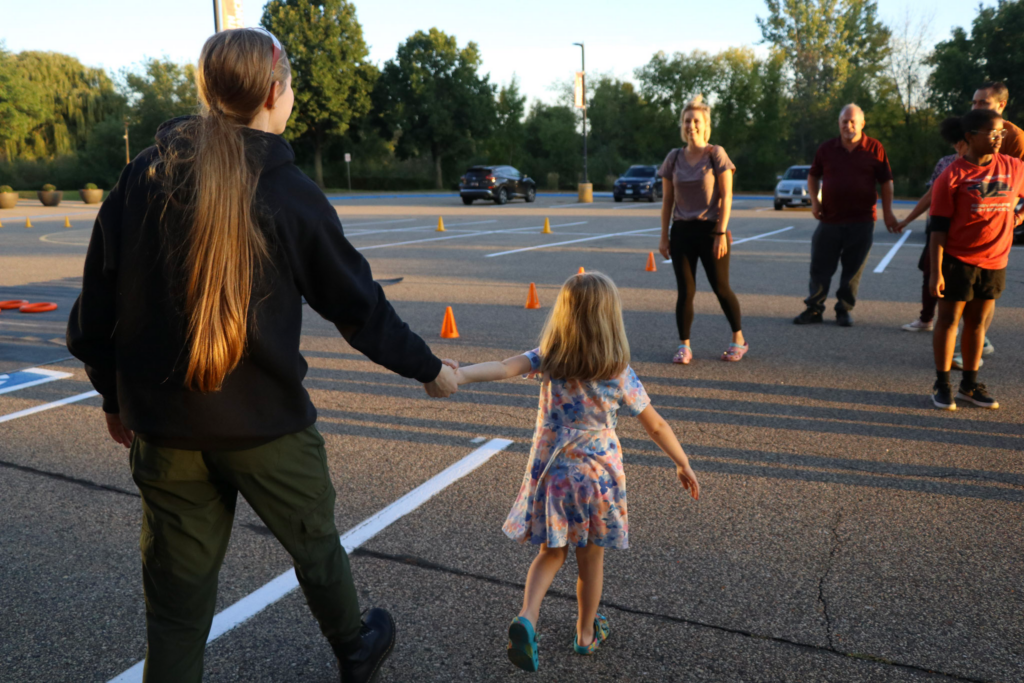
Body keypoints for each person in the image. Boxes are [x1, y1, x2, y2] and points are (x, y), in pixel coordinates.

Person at [66, 29, 458, 683]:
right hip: (267, 426)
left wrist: (113, 395)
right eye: (293, 86)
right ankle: (354, 646)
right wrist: (430, 367)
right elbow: (358, 305)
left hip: (163, 427)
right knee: (315, 544)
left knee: (175, 613)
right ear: (277, 93)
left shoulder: (144, 174)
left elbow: (95, 309)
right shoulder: (289, 191)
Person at [446, 272, 700, 671]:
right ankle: (585, 635)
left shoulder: (549, 356)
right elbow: (656, 424)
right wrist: (682, 462)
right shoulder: (618, 370)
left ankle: (527, 617)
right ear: (610, 319)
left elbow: (501, 367)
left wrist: (459, 373)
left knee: (551, 552)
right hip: (598, 480)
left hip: (555, 476)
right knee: (590, 560)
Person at [928, 109, 1024, 410]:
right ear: (970, 137)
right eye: (992, 134)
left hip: (995, 261)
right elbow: (938, 229)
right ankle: (942, 384)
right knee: (948, 320)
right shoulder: (952, 176)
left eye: (1001, 134)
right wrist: (936, 272)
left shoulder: (1013, 167)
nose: (999, 139)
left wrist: (1018, 216)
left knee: (978, 323)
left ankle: (969, 385)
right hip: (958, 260)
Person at [657, 94, 747, 365]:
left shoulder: (716, 154)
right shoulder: (674, 157)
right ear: (682, 125)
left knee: (721, 287)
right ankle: (684, 345)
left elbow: (727, 197)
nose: (691, 125)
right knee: (685, 290)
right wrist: (663, 235)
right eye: (687, 121)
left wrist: (721, 232)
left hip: (711, 231)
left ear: (705, 125)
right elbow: (667, 201)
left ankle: (738, 340)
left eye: (696, 120)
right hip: (682, 231)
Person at [794, 104, 899, 327]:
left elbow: (886, 182)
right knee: (820, 267)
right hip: (830, 219)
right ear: (839, 124)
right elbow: (813, 176)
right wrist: (815, 202)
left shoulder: (875, 148)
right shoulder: (826, 149)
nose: (848, 125)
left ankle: (844, 309)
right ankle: (814, 308)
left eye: (853, 121)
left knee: (853, 269)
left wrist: (888, 213)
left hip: (861, 221)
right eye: (844, 121)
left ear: (862, 124)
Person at [897, 143, 966, 333]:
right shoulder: (945, 163)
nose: (960, 144)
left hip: (966, 235)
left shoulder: (985, 164)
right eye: (957, 139)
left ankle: (972, 329)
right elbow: (930, 195)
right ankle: (926, 318)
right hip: (939, 229)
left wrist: (1016, 216)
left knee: (965, 280)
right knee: (930, 272)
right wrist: (907, 220)